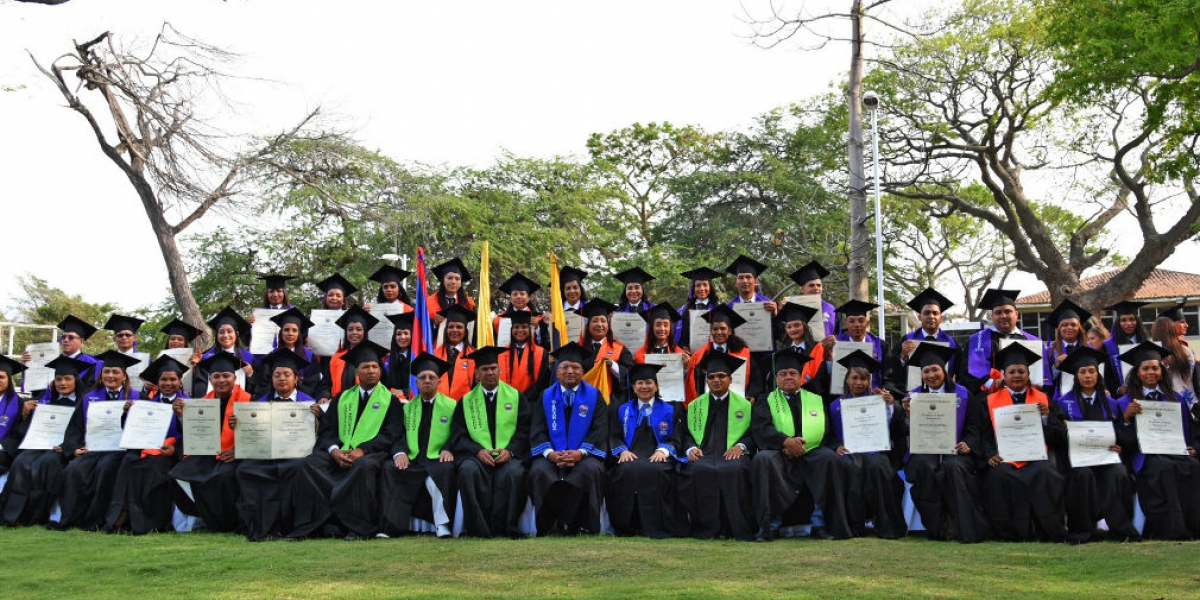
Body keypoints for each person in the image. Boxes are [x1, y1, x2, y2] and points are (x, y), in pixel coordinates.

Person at [288, 341, 401, 540]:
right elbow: (327, 430)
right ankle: (317, 525)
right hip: (340, 451)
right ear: (357, 370)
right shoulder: (342, 398)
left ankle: (357, 528)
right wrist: (333, 450)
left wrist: (363, 450)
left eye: (375, 367)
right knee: (308, 464)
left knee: (363, 467)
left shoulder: (390, 401)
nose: (371, 371)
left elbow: (391, 433)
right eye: (366, 367)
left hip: (372, 454)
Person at [751, 349, 852, 541]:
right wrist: (785, 442)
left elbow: (826, 431)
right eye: (783, 374)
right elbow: (761, 428)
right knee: (762, 460)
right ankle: (770, 525)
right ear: (776, 377)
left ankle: (821, 523)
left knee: (829, 459)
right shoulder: (766, 399)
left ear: (801, 376)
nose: (788, 377)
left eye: (792, 373)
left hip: (811, 451)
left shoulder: (815, 399)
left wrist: (836, 445)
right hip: (780, 452)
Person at [895, 344, 989, 542]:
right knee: (924, 468)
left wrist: (968, 443)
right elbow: (903, 431)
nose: (931, 375)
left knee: (952, 468)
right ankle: (937, 529)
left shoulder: (963, 394)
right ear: (921, 374)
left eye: (935, 369)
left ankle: (966, 529)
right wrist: (908, 416)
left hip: (956, 452)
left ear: (943, 370)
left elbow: (974, 426)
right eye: (926, 371)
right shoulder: (913, 397)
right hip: (925, 451)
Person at [975, 343, 1069, 542]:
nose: (1016, 375)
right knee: (999, 475)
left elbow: (1060, 436)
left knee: (1045, 473)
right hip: (1005, 457)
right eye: (1011, 372)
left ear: (1028, 374)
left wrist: (1046, 418)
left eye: (1021, 371)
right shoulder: (989, 400)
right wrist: (990, 455)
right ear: (1004, 375)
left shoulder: (1044, 399)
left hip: (1037, 456)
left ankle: (1047, 531)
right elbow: (983, 434)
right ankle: (1009, 534)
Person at [1051, 347, 1140, 543]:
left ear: (1097, 374)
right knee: (1082, 476)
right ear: (1076, 376)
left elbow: (1122, 436)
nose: (1088, 376)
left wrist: (1119, 442)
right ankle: (1083, 530)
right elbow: (1057, 437)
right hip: (1078, 460)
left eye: (1091, 371)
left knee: (1118, 472)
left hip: (1106, 459)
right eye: (1082, 372)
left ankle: (1120, 529)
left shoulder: (1111, 403)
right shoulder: (1063, 403)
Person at [1114, 342, 1200, 540]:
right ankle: (1172, 529)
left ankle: (1194, 527)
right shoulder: (1125, 403)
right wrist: (1126, 419)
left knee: (1194, 466)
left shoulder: (1175, 399)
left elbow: (1191, 431)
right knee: (1164, 468)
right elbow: (1122, 442)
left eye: (1155, 368)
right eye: (1145, 369)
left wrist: (1194, 448)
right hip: (1145, 456)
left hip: (1175, 452)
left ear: (1161, 371)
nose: (1151, 372)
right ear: (1137, 373)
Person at [235, 349, 321, 541]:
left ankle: (293, 526)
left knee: (297, 470)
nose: (282, 379)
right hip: (268, 455)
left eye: (287, 375)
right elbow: (254, 434)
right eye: (277, 375)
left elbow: (317, 437)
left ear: (296, 379)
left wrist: (317, 420)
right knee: (245, 470)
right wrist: (239, 424)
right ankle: (260, 526)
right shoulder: (261, 403)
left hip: (297, 456)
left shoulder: (309, 404)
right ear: (272, 379)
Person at [56, 350, 143, 531]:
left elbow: (141, 430)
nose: (110, 376)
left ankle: (101, 521)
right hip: (93, 449)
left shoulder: (136, 398)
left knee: (106, 468)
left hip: (121, 451)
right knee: (73, 469)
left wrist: (129, 415)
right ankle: (72, 519)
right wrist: (73, 448)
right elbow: (75, 428)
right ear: (101, 374)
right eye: (106, 371)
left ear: (124, 376)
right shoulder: (89, 398)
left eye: (115, 372)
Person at [0, 355, 92, 526]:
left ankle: (34, 516)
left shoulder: (84, 403)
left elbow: (83, 431)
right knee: (21, 462)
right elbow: (27, 429)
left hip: (62, 450)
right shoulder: (45, 402)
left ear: (76, 381)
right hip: (40, 445)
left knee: (47, 463)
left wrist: (68, 447)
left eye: (67, 379)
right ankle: (11, 515)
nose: (63, 383)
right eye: (59, 379)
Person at [528, 342, 609, 535]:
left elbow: (599, 429)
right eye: (564, 367)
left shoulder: (594, 396)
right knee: (539, 472)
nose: (570, 371)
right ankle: (550, 527)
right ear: (557, 371)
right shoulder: (545, 396)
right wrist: (550, 454)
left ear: (583, 371)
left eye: (575, 367)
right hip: (552, 455)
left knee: (590, 471)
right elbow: (537, 429)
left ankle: (582, 525)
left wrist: (580, 453)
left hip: (584, 455)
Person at [103, 354, 186, 534]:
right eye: (163, 379)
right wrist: (127, 415)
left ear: (180, 381)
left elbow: (195, 435)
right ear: (157, 382)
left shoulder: (189, 403)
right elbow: (133, 432)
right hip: (146, 449)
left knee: (153, 467)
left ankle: (150, 522)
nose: (168, 383)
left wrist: (175, 447)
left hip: (172, 455)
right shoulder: (146, 404)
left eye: (173, 379)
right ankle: (122, 517)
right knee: (128, 461)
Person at [454, 346, 531, 539]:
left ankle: (508, 528)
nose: (490, 372)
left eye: (493, 368)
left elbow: (525, 430)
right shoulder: (466, 401)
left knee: (514, 472)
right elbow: (458, 436)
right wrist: (478, 451)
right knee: (467, 471)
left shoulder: (516, 397)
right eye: (484, 369)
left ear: (500, 370)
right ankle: (478, 530)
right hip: (478, 456)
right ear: (477, 374)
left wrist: (511, 451)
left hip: (508, 454)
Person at [169, 352, 252, 533]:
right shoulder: (203, 403)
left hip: (236, 454)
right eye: (216, 376)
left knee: (222, 477)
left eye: (226, 376)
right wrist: (182, 416)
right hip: (208, 452)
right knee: (178, 474)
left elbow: (257, 435)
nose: (221, 380)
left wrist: (238, 451)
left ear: (234, 377)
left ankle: (226, 524)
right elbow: (195, 433)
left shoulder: (248, 400)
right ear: (210, 379)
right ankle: (203, 517)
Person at [827, 350, 906, 539]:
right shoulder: (835, 405)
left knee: (878, 466)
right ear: (846, 379)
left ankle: (885, 525)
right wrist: (836, 445)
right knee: (849, 466)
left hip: (875, 450)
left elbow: (896, 427)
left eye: (863, 379)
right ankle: (855, 526)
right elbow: (828, 434)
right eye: (854, 378)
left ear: (870, 381)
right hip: (850, 451)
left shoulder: (880, 402)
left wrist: (891, 406)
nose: (858, 383)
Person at [378, 353, 458, 538]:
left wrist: (448, 448)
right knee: (390, 468)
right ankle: (390, 527)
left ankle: (442, 525)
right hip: (413, 458)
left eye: (432, 377)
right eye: (422, 378)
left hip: (437, 457)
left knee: (443, 471)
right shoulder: (406, 408)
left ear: (439, 382)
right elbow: (398, 435)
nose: (427, 381)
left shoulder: (452, 405)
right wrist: (399, 453)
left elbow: (458, 433)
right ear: (416, 383)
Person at [679, 351, 755, 541]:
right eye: (711, 377)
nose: (716, 380)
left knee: (735, 470)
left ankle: (733, 528)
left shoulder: (745, 406)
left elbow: (754, 433)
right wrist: (690, 449)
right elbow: (686, 434)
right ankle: (706, 529)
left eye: (721, 376)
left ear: (730, 379)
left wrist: (741, 446)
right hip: (704, 455)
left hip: (732, 455)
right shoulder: (695, 405)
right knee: (698, 470)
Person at [604, 363, 684, 538]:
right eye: (639, 383)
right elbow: (614, 435)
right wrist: (622, 451)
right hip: (630, 456)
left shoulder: (671, 409)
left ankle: (658, 525)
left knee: (656, 470)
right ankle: (627, 526)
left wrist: (663, 451)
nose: (644, 387)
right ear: (633, 387)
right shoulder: (622, 410)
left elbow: (676, 437)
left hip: (658, 457)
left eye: (649, 382)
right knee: (625, 470)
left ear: (656, 386)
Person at [959, 288, 1042, 395]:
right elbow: (967, 372)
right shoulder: (977, 340)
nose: (1003, 316)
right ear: (992, 316)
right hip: (988, 400)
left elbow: (1042, 375)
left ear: (1016, 314)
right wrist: (991, 384)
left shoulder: (1032, 341)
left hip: (1025, 399)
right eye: (998, 312)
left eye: (1008, 311)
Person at [685, 304, 757, 403]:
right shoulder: (699, 355)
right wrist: (701, 374)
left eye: (723, 328)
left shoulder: (743, 353)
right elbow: (693, 384)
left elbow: (755, 379)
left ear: (730, 331)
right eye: (715, 329)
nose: (719, 332)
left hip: (737, 404)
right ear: (711, 331)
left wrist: (751, 395)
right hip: (709, 405)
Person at [891, 288, 958, 391]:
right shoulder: (907, 340)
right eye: (926, 313)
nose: (931, 316)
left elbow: (961, 372)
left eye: (935, 313)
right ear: (919, 317)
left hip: (945, 397)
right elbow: (891, 371)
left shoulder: (952, 343)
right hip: (913, 397)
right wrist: (902, 357)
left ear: (941, 318)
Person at [315, 305, 380, 405]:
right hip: (338, 406)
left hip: (365, 407)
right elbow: (326, 383)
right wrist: (324, 396)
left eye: (359, 329)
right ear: (346, 332)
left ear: (364, 332)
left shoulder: (373, 357)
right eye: (350, 329)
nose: (354, 332)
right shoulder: (336, 358)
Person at [22, 315, 101, 396]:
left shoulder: (92, 364)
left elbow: (90, 392)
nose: (66, 340)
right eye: (63, 337)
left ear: (81, 341)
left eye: (71, 337)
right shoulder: (50, 361)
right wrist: (27, 367)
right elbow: (36, 391)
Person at [251, 308, 320, 398]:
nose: (290, 333)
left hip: (301, 401)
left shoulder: (310, 356)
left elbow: (313, 382)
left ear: (299, 334)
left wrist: (294, 391)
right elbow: (264, 384)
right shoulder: (272, 356)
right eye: (286, 330)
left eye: (294, 330)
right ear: (281, 332)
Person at [577, 299, 634, 405]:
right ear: (588, 325)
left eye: (603, 321)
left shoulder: (620, 348)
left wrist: (613, 365)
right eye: (595, 321)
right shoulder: (578, 349)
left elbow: (630, 374)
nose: (599, 324)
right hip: (583, 401)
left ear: (608, 325)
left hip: (612, 403)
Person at [835, 299, 897, 396]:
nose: (857, 325)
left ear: (867, 323)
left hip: (874, 399)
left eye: (861, 320)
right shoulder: (837, 345)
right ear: (846, 324)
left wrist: (884, 391)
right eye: (852, 321)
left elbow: (890, 375)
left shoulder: (880, 345)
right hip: (845, 399)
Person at [192, 307, 255, 399]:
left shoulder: (248, 358)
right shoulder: (207, 358)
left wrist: (250, 374)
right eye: (221, 332)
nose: (225, 335)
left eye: (229, 331)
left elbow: (256, 389)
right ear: (217, 335)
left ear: (236, 334)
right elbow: (199, 389)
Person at [772, 301, 829, 392]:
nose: (793, 329)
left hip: (812, 395)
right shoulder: (783, 351)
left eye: (797, 325)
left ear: (805, 326)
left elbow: (822, 376)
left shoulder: (817, 348)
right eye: (789, 327)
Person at [1043, 300, 1091, 399]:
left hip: (1086, 397)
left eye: (1073, 325)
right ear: (1059, 328)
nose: (1069, 327)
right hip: (1060, 400)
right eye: (1064, 325)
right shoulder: (1050, 351)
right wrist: (1056, 367)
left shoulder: (1089, 349)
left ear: (1079, 328)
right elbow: (1046, 380)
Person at [497, 310, 551, 398]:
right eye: (516, 327)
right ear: (511, 330)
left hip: (533, 404)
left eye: (524, 327)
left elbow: (543, 381)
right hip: (506, 402)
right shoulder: (501, 353)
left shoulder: (541, 353)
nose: (520, 330)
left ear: (530, 330)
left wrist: (524, 398)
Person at [1150, 314, 1200, 406]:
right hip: (1190, 400)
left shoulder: (1153, 353)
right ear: (1172, 330)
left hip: (1166, 402)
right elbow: (1193, 373)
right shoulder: (1185, 350)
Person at [1103, 301, 1149, 398]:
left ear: (1137, 321)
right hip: (1122, 398)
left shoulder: (1145, 343)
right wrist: (1118, 389)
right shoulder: (1108, 346)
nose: (1128, 323)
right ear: (1118, 323)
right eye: (1123, 320)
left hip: (1145, 393)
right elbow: (1107, 375)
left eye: (1132, 319)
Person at [433, 304, 477, 401]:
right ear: (446, 329)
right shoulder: (434, 354)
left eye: (459, 327)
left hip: (465, 407)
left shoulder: (474, 355)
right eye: (451, 327)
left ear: (465, 331)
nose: (454, 330)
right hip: (439, 406)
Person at [494, 272, 549, 346]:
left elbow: (545, 345)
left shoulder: (538, 319)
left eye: (522, 294)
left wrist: (537, 328)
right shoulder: (499, 320)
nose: (518, 297)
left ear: (528, 298)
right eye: (515, 294)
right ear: (510, 299)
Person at [676, 267, 723, 351]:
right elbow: (681, 336)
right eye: (698, 285)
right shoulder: (684, 310)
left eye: (705, 285)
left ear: (710, 287)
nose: (701, 289)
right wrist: (683, 347)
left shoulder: (718, 308)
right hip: (691, 357)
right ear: (693, 288)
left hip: (714, 355)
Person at [789, 260, 837, 338]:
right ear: (802, 289)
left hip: (826, 349)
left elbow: (839, 333)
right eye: (811, 285)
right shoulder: (794, 308)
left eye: (819, 285)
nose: (816, 288)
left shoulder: (831, 309)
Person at [0, 355, 29, 475]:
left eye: (1, 377)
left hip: (3, 451)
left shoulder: (19, 404)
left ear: (9, 379)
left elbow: (17, 435)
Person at [428, 257, 475, 325]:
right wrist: (434, 323)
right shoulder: (428, 303)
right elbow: (419, 327)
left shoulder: (469, 303)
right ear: (443, 280)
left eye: (457, 279)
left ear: (461, 282)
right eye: (449, 278)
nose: (453, 282)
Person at [383, 312, 415, 400]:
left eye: (406, 333)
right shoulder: (388, 360)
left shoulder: (416, 358)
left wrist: (405, 392)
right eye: (399, 334)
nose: (402, 337)